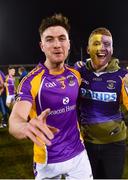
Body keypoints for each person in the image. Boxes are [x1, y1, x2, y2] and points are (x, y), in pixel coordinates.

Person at [9, 13, 92, 180]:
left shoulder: (75, 75)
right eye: (49, 39)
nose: (57, 45)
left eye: (62, 38)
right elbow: (15, 119)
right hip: (47, 159)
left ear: (69, 43)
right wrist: (24, 127)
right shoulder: (30, 81)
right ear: (42, 46)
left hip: (78, 155)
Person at [74, 27, 128, 179]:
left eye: (107, 44)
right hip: (86, 143)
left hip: (114, 144)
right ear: (88, 49)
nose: (102, 47)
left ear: (112, 49)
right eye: (96, 43)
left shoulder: (122, 76)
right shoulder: (78, 73)